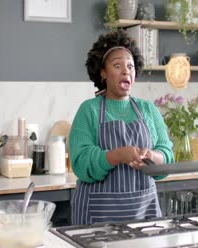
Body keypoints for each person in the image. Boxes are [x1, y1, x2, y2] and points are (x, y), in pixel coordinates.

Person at [69, 29, 174, 225]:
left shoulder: (148, 109)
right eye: (117, 65)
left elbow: (167, 155)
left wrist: (152, 156)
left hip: (144, 215)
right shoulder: (89, 110)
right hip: (97, 217)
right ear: (103, 73)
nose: (126, 71)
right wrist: (117, 155)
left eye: (130, 66)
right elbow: (81, 163)